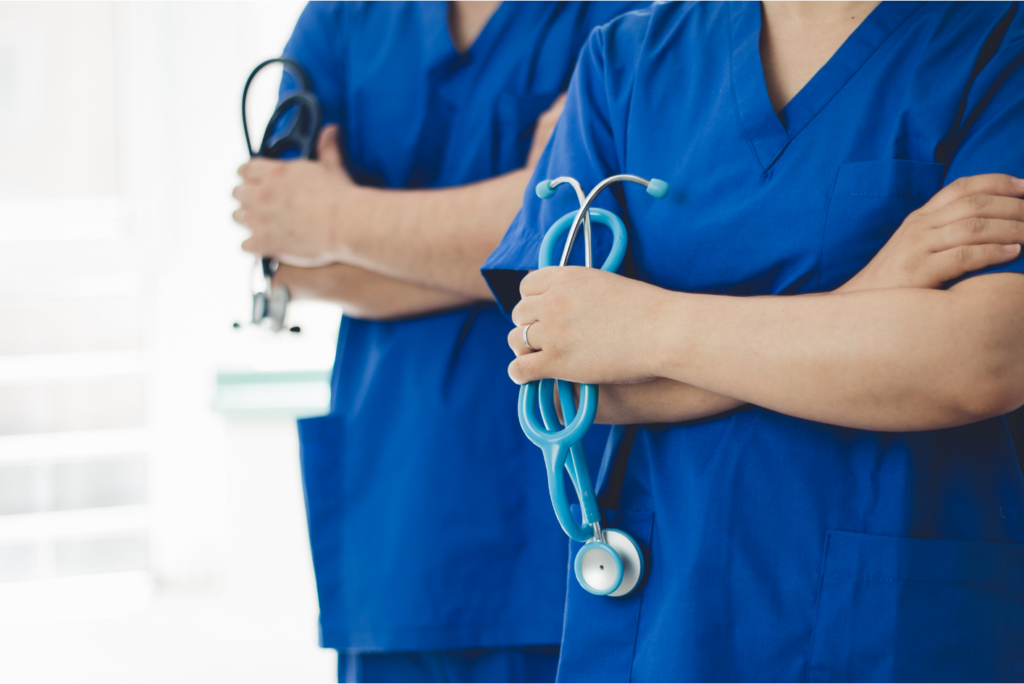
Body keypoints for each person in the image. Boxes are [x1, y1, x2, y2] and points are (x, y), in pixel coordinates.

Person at [485, 0, 1024, 680]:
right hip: (664, 626)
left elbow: (979, 358)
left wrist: (642, 328)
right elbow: (560, 375)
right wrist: (867, 298)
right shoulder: (628, 57)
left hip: (890, 629)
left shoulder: (1000, 40)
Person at [231, 2, 655, 682]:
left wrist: (334, 215)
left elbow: (602, 231)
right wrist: (517, 240)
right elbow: (283, 250)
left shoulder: (625, 20)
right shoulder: (343, 19)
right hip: (397, 524)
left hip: (564, 529)